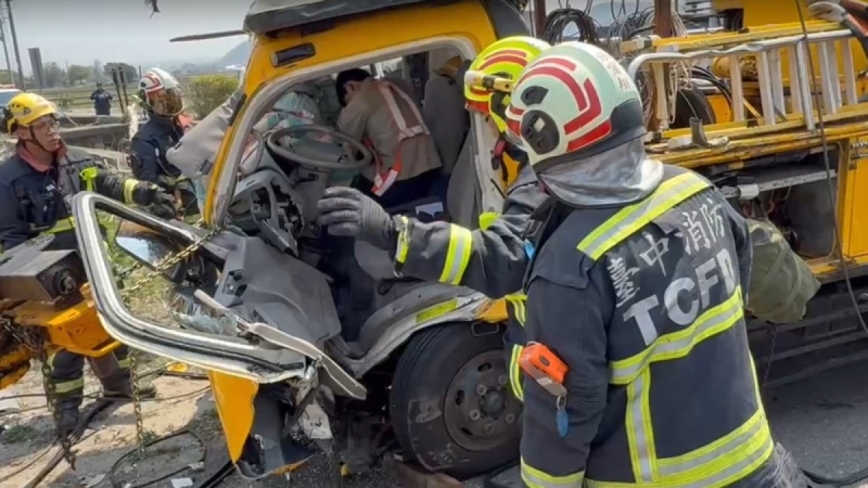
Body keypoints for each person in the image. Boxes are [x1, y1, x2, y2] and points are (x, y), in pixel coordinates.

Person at [497, 42, 806, 487]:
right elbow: (749, 285)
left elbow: (564, 410)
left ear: (546, 143)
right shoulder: (695, 192)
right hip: (755, 465)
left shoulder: (570, 266)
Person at [316, 36, 551, 401]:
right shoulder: (547, 171)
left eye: (492, 116)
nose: (489, 126)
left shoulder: (546, 183)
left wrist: (391, 233)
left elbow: (500, 258)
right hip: (428, 171)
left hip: (556, 399)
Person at [0, 92, 176, 437]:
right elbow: (10, 238)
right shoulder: (7, 180)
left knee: (114, 326)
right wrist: (32, 284)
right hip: (49, 279)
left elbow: (108, 184)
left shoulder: (75, 161)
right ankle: (67, 412)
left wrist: (145, 193)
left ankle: (121, 386)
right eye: (42, 125)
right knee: (65, 346)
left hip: (92, 263)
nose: (52, 131)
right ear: (22, 133)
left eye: (53, 122)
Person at [335, 68, 442, 209]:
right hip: (433, 169)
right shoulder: (400, 85)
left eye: (347, 101)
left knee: (356, 201)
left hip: (402, 181)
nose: (349, 105)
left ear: (350, 86)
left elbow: (348, 145)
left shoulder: (361, 99)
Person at [130, 67, 197, 215]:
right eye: (162, 100)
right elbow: (148, 183)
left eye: (171, 98)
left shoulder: (180, 128)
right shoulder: (143, 141)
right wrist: (176, 187)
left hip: (197, 204)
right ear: (149, 103)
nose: (168, 105)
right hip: (171, 211)